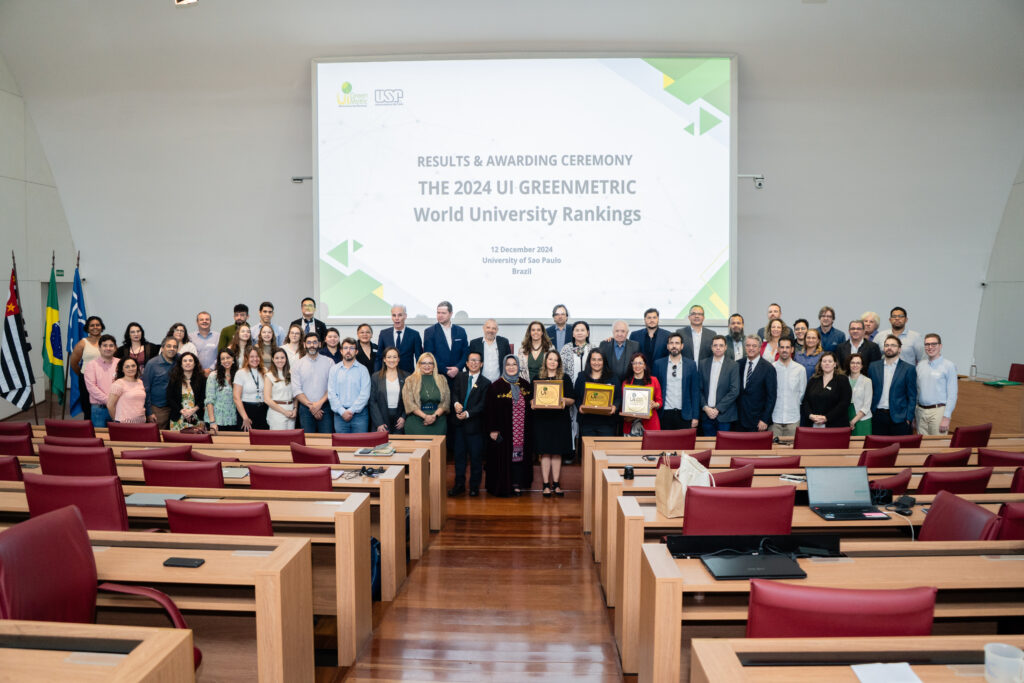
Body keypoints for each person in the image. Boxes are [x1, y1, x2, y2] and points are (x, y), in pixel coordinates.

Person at [485, 355, 533, 497]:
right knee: (504, 457)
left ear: (518, 366)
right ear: (504, 367)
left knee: (519, 456)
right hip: (504, 430)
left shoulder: (525, 385)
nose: (511, 367)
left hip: (521, 430)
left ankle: (517, 484)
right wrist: (493, 429)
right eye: (508, 364)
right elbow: (489, 410)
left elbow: (532, 407)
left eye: (514, 364)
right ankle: (505, 484)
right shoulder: (495, 386)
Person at [532, 350, 575, 496]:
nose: (552, 362)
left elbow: (572, 400)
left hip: (559, 420)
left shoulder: (565, 378)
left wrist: (561, 400)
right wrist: (533, 402)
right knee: (545, 452)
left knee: (557, 452)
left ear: (559, 363)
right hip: (542, 420)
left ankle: (556, 484)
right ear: (545, 361)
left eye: (555, 360)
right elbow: (532, 399)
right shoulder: (537, 378)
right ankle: (545, 485)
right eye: (550, 359)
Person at [448, 350, 491, 497]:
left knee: (476, 458)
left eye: (477, 360)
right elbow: (454, 393)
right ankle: (459, 485)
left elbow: (482, 405)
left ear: (481, 364)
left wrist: (467, 414)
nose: (474, 363)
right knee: (459, 457)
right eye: (471, 360)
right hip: (459, 426)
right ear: (466, 363)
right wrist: (456, 404)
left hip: (475, 426)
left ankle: (474, 487)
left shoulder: (486, 383)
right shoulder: (460, 377)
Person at [868, 335, 918, 435]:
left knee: (899, 445)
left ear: (899, 349)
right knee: (877, 444)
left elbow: (912, 396)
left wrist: (909, 418)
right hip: (877, 416)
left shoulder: (909, 369)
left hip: (900, 418)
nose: (889, 348)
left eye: (893, 345)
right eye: (886, 345)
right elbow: (870, 391)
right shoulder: (873, 366)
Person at [653, 333, 700, 430]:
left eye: (677, 343)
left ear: (682, 346)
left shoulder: (691, 365)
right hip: (664, 414)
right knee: (664, 440)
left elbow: (695, 392)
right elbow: (654, 389)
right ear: (667, 346)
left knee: (684, 440)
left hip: (685, 414)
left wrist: (695, 416)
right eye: (671, 343)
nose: (674, 346)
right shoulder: (658, 364)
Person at [327, 337, 372, 433]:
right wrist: (342, 411)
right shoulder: (334, 370)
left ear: (356, 352)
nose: (348, 351)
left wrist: (351, 410)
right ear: (341, 351)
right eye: (345, 348)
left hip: (360, 415)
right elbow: (331, 393)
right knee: (341, 442)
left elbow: (365, 394)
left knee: (360, 442)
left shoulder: (363, 370)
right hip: (339, 415)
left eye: (351, 348)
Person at [916, 333, 957, 435]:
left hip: (938, 412)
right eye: (927, 344)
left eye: (934, 344)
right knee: (922, 444)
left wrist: (946, 417)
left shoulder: (949, 366)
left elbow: (952, 394)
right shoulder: (920, 365)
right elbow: (917, 390)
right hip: (920, 411)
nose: (930, 347)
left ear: (940, 346)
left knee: (938, 443)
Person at [292, 333, 334, 433]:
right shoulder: (297, 365)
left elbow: (332, 387)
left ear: (319, 344)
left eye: (315, 342)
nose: (312, 345)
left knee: (326, 440)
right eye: (309, 342)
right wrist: (312, 407)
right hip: (305, 409)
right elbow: (296, 390)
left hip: (325, 407)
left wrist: (319, 404)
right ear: (304, 344)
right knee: (307, 440)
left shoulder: (329, 362)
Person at [574, 349, 622, 437]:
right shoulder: (582, 376)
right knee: (588, 446)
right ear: (589, 361)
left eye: (600, 360)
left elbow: (618, 397)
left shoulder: (612, 377)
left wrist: (615, 407)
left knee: (605, 446)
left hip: (607, 423)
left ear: (604, 361)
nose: (596, 363)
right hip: (586, 422)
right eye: (594, 359)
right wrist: (579, 406)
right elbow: (576, 396)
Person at [699, 336, 740, 435]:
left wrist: (718, 409)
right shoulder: (703, 364)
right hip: (706, 415)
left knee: (724, 444)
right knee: (707, 443)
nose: (718, 348)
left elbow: (734, 390)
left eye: (721, 345)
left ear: (725, 347)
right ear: (711, 347)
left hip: (725, 416)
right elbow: (698, 389)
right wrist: (705, 407)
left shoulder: (733, 365)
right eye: (715, 345)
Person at [402, 351, 450, 436]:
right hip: (416, 423)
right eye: (423, 363)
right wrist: (425, 417)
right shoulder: (410, 380)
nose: (427, 366)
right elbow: (409, 403)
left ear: (434, 365)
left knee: (438, 445)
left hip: (438, 422)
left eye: (430, 363)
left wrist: (434, 416)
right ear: (419, 365)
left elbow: (446, 402)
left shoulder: (442, 379)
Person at [800, 351, 852, 428]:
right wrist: (810, 415)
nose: (827, 363)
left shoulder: (842, 380)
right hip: (814, 423)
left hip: (836, 424)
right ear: (820, 364)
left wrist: (827, 417)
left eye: (830, 361)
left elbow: (844, 402)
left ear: (835, 364)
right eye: (824, 361)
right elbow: (806, 401)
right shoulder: (813, 380)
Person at [737, 335, 777, 432]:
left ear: (759, 348)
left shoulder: (768, 368)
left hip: (758, 421)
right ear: (745, 347)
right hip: (738, 419)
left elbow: (771, 397)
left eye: (754, 346)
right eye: (748, 345)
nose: (751, 348)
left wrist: (765, 419)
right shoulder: (737, 364)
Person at [423, 300, 469, 384]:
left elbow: (465, 353)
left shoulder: (461, 331)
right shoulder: (429, 331)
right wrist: (446, 370)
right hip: (438, 376)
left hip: (458, 376)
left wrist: (457, 368)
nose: (440, 315)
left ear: (451, 314)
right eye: (438, 313)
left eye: (443, 313)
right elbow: (430, 354)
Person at [69, 315, 105, 421]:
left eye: (97, 325)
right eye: (92, 325)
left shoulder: (107, 341)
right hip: (86, 380)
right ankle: (89, 428)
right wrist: (83, 375)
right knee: (87, 407)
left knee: (104, 405)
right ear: (87, 328)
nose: (95, 327)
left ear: (101, 327)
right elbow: (74, 363)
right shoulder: (82, 343)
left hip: (104, 379)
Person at [771, 338, 807, 439]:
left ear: (792, 349)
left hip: (793, 419)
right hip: (774, 418)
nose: (784, 350)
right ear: (778, 349)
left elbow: (802, 393)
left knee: (792, 447)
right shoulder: (771, 368)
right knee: (773, 448)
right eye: (782, 347)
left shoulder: (800, 369)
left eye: (787, 347)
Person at [83, 333, 118, 428]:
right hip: (99, 409)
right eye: (105, 345)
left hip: (118, 408)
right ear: (99, 348)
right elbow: (92, 388)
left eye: (111, 346)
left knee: (118, 435)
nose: (108, 348)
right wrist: (109, 401)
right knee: (99, 435)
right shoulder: (91, 365)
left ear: (115, 348)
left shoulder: (120, 363)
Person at [370, 347, 408, 433]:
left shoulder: (406, 376)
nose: (392, 360)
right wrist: (379, 423)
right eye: (389, 357)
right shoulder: (375, 377)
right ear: (384, 359)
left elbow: (409, 399)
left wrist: (403, 417)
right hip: (381, 419)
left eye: (395, 357)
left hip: (399, 420)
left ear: (398, 359)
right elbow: (373, 401)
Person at [143, 336, 178, 429]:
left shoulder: (180, 360)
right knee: (157, 435)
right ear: (162, 348)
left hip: (177, 408)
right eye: (169, 346)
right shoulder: (152, 364)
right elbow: (146, 389)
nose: (172, 349)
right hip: (159, 408)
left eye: (175, 347)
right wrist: (149, 412)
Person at [622, 352, 661, 435]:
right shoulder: (626, 383)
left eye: (640, 363)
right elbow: (623, 404)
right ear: (631, 365)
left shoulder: (654, 380)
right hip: (630, 424)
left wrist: (655, 404)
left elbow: (660, 401)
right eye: (635, 363)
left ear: (644, 365)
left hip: (650, 424)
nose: (637, 366)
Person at [375, 304, 422, 373]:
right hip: (388, 374)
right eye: (394, 315)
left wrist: (419, 375)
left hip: (408, 375)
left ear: (405, 316)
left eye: (400, 315)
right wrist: (377, 374)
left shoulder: (414, 334)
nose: (396, 318)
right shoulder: (384, 334)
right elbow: (379, 357)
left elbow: (419, 358)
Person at [167, 351, 207, 432]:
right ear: (181, 364)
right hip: (178, 418)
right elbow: (169, 397)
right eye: (185, 361)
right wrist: (182, 411)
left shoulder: (202, 379)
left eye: (190, 360)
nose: (187, 363)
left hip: (196, 417)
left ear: (195, 364)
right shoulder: (174, 379)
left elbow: (204, 397)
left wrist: (193, 410)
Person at [233, 347, 268, 431]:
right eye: (251, 357)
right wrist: (245, 417)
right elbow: (236, 398)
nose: (255, 359)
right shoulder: (240, 373)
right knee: (247, 437)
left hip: (263, 409)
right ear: (246, 358)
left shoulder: (265, 370)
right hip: (246, 410)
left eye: (257, 356)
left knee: (262, 437)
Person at [205, 349, 240, 433]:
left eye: (228, 358)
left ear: (233, 359)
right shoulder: (213, 376)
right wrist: (212, 422)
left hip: (233, 420)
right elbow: (209, 400)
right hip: (216, 420)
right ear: (220, 361)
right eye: (223, 359)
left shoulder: (238, 375)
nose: (225, 361)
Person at [264, 348, 297, 430]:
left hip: (291, 411)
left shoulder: (291, 374)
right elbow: (267, 399)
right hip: (277, 413)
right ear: (273, 359)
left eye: (282, 358)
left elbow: (296, 395)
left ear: (286, 359)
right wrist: (284, 412)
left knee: (290, 437)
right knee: (279, 438)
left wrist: (295, 409)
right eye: (277, 358)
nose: (280, 360)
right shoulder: (269, 376)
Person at [107, 356, 146, 423]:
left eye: (133, 366)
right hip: (124, 423)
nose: (131, 368)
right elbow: (110, 405)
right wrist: (116, 421)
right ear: (122, 369)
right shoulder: (118, 384)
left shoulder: (140, 382)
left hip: (141, 421)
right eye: (127, 367)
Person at [847, 353, 873, 435]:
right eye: (852, 362)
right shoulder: (844, 380)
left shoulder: (867, 381)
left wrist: (853, 421)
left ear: (862, 366)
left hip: (862, 418)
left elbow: (867, 406)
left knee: (861, 441)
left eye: (858, 363)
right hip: (847, 415)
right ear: (849, 364)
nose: (855, 365)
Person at [192, 311, 218, 375]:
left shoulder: (218, 337)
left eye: (207, 319)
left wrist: (211, 369)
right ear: (197, 322)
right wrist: (199, 369)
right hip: (195, 373)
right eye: (201, 320)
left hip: (214, 373)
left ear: (210, 321)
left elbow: (221, 355)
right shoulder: (190, 337)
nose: (204, 321)